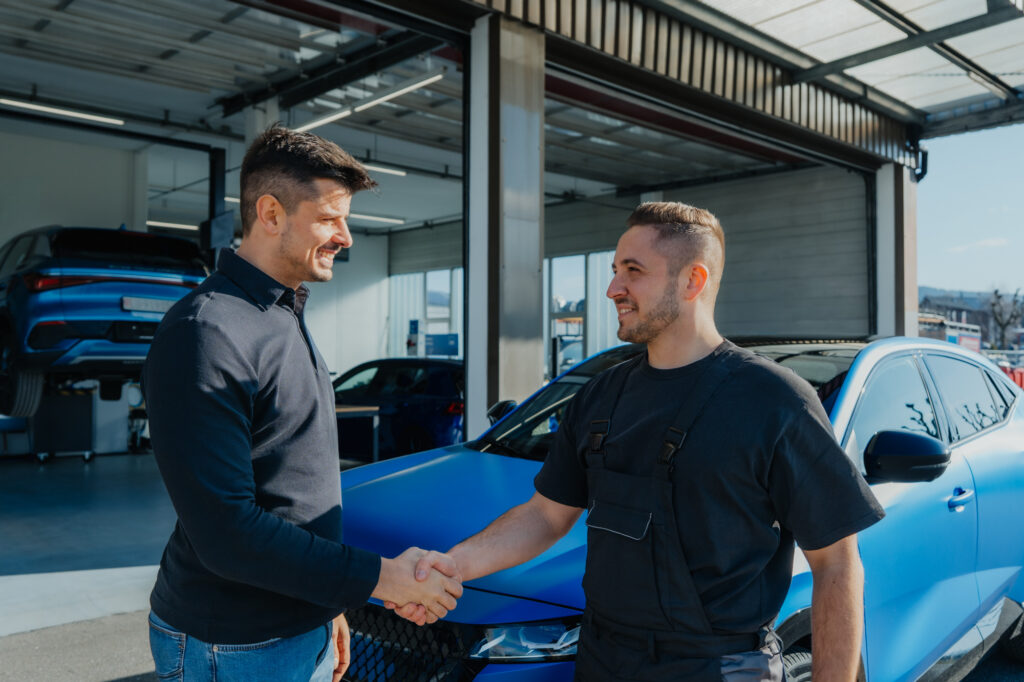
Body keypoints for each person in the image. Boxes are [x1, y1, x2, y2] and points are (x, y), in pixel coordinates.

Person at [396, 202, 885, 681]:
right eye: (614, 270)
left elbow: (838, 562)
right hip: (602, 660)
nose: (612, 288)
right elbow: (545, 515)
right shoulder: (601, 395)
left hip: (718, 669)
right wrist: (453, 564)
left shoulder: (774, 401)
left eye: (633, 271)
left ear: (692, 281)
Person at [143, 125, 461, 682]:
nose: (346, 236)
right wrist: (380, 578)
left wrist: (327, 603)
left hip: (298, 623)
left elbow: (290, 485)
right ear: (270, 213)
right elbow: (227, 534)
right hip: (235, 645)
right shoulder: (206, 331)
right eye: (329, 218)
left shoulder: (282, 312)